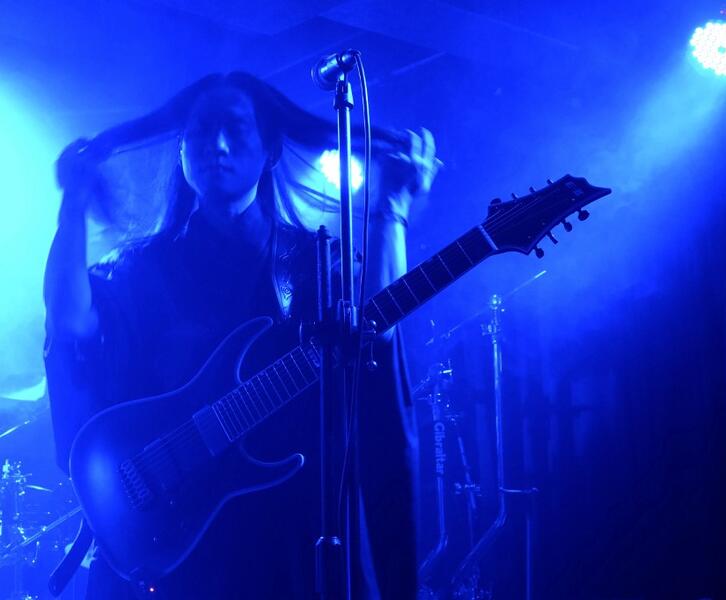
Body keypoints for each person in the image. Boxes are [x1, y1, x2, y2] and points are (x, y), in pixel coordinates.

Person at [44, 72, 439, 599]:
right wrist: (73, 202)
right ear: (182, 151)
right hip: (179, 532)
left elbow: (376, 332)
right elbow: (69, 325)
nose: (218, 145)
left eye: (235, 128)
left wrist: (391, 210)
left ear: (271, 149)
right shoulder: (141, 267)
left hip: (289, 530)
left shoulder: (311, 263)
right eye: (201, 131)